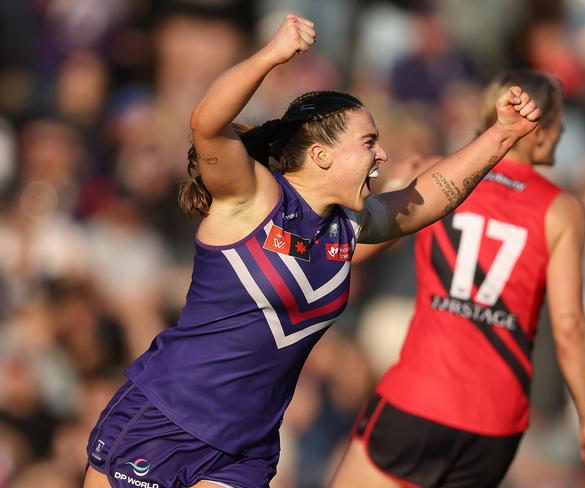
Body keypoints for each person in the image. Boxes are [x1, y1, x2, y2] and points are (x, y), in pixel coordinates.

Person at [83, 15, 542, 488]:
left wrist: (502, 135)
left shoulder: (347, 228)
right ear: (322, 155)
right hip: (165, 420)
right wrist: (272, 54)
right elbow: (207, 123)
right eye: (368, 143)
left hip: (245, 450)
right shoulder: (252, 198)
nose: (381, 155)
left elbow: (432, 197)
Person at [331, 70, 585, 488]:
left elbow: (351, 250)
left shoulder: (434, 172)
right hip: (495, 424)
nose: (561, 131)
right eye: (555, 123)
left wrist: (391, 185)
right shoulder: (561, 210)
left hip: (419, 399)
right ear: (533, 129)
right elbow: (569, 327)